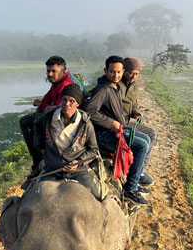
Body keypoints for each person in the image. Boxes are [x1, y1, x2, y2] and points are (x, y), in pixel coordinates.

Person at [85, 55, 150, 206]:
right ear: (105, 71)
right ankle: (130, 189)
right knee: (142, 145)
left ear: (123, 71)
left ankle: (135, 179)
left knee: (146, 139)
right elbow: (90, 111)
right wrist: (110, 123)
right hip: (104, 134)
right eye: (112, 72)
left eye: (119, 72)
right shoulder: (103, 89)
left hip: (116, 131)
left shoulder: (115, 88)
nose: (116, 75)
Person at [32, 84, 100, 199]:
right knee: (34, 198)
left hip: (77, 171)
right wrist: (41, 147)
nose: (67, 104)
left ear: (78, 104)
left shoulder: (85, 123)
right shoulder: (49, 115)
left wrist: (78, 162)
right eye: (64, 100)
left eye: (71, 101)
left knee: (96, 199)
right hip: (52, 169)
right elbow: (37, 125)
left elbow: (94, 150)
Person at [20, 56, 75, 177]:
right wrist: (42, 105)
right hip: (54, 116)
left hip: (61, 121)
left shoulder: (65, 86)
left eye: (53, 71)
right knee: (31, 120)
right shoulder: (56, 84)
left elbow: (58, 109)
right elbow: (47, 99)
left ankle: (37, 160)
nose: (50, 74)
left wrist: (41, 105)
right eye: (48, 71)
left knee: (25, 122)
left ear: (63, 71)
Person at [121, 57, 157, 187]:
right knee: (143, 142)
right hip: (119, 124)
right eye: (131, 73)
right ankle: (133, 180)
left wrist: (135, 112)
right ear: (124, 71)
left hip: (127, 122)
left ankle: (141, 170)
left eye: (136, 74)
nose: (133, 76)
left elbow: (134, 104)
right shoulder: (116, 85)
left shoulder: (134, 87)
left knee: (152, 134)